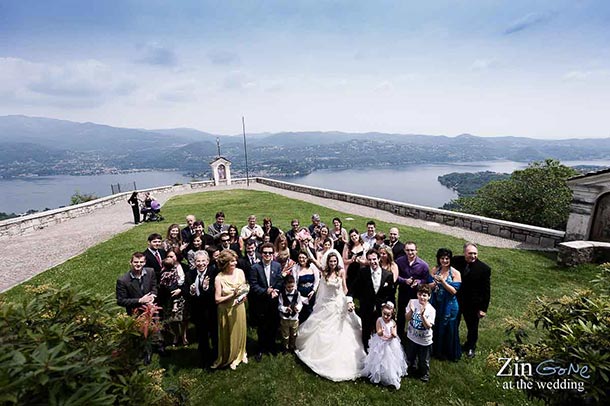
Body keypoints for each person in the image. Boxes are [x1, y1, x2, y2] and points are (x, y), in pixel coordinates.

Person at [295, 251, 366, 381]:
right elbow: (316, 264)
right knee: (319, 326)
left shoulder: (341, 272)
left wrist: (347, 301)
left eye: (334, 261)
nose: (333, 263)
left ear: (337, 261)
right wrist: (308, 250)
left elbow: (344, 288)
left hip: (337, 303)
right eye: (330, 261)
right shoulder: (324, 271)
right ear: (327, 262)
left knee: (341, 330)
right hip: (325, 303)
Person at [347, 248, 395, 350]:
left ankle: (379, 351)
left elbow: (391, 293)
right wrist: (349, 300)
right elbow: (353, 287)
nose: (372, 262)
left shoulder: (388, 275)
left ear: (379, 259)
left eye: (374, 259)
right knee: (366, 331)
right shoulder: (363, 272)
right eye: (369, 260)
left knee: (380, 332)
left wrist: (390, 305)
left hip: (381, 310)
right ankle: (366, 352)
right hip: (366, 307)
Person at [212, 249, 249, 370]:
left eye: (235, 261)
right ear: (225, 263)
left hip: (239, 307)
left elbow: (243, 289)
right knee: (227, 333)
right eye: (231, 261)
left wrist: (243, 295)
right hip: (225, 310)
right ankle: (229, 356)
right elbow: (217, 299)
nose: (234, 263)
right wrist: (232, 295)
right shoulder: (219, 278)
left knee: (240, 331)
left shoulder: (240, 272)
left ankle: (240, 353)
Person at [452, 242, 491, 358]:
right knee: (454, 323)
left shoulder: (484, 269)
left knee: (472, 327)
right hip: (457, 301)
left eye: (475, 253)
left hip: (473, 304)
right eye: (470, 253)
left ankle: (470, 347)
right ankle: (453, 344)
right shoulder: (456, 261)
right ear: (464, 253)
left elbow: (486, 291)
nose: (473, 256)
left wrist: (483, 309)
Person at [249, 242, 284, 361]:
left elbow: (280, 281)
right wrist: (266, 291)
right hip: (261, 302)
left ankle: (271, 346)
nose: (267, 255)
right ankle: (260, 348)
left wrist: (276, 290)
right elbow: (253, 285)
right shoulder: (255, 267)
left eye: (270, 253)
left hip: (274, 302)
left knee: (273, 325)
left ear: (273, 254)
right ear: (261, 254)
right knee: (262, 326)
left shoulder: (277, 265)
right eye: (265, 253)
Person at [361, 302, 408, 389]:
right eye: (384, 314)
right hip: (380, 342)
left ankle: (388, 376)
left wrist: (393, 334)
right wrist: (381, 332)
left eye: (388, 315)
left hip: (390, 343)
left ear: (392, 315)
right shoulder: (379, 320)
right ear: (381, 312)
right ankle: (376, 373)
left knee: (389, 360)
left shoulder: (393, 323)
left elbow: (394, 333)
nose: (386, 317)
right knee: (378, 358)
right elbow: (378, 331)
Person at [428, 248, 462, 361]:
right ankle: (437, 351)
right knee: (437, 326)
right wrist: (433, 284)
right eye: (442, 258)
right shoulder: (435, 269)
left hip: (450, 305)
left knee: (449, 328)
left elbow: (454, 291)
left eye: (447, 258)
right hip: (437, 302)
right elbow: (429, 285)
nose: (445, 260)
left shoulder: (455, 273)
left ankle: (449, 353)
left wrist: (443, 282)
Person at [186, 251, 218, 368]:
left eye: (203, 261)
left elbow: (216, 290)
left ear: (208, 261)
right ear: (194, 262)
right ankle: (204, 359)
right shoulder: (190, 274)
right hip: (197, 311)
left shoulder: (213, 272)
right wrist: (191, 292)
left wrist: (205, 288)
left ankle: (216, 357)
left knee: (215, 335)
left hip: (211, 310)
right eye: (198, 261)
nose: (201, 263)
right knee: (202, 336)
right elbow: (186, 291)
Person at [395, 241, 430, 341]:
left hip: (416, 295)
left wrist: (418, 282)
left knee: (415, 315)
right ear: (404, 250)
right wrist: (404, 280)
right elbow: (395, 276)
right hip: (403, 293)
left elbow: (426, 280)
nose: (410, 252)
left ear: (416, 251)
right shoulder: (399, 261)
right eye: (408, 250)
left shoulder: (423, 265)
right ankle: (400, 335)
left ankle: (413, 336)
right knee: (401, 314)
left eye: (412, 250)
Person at [405, 285, 436, 383]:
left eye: (424, 295)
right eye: (420, 294)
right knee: (410, 355)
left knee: (424, 360)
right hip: (412, 336)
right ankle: (411, 368)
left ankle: (424, 373)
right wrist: (411, 310)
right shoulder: (412, 302)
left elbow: (428, 326)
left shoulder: (431, 310)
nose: (422, 297)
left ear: (429, 297)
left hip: (424, 340)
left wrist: (422, 315)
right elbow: (407, 318)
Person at [158, 257, 186, 347]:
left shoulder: (164, 272)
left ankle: (183, 336)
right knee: (172, 318)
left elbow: (162, 282)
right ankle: (176, 335)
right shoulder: (174, 270)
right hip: (170, 291)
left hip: (172, 289)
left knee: (181, 318)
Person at [291, 250, 320, 323]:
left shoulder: (312, 267)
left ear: (307, 258)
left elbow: (317, 280)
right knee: (301, 311)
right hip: (300, 293)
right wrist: (298, 295)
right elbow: (294, 282)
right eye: (300, 257)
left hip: (311, 293)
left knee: (311, 311)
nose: (301, 259)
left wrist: (313, 291)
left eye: (303, 258)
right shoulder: (295, 268)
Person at [278, 274, 303, 352]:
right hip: (284, 318)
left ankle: (292, 346)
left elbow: (300, 303)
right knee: (285, 335)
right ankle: (285, 347)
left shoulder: (297, 293)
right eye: (288, 287)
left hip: (294, 318)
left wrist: (297, 308)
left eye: (292, 286)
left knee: (294, 334)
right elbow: (279, 306)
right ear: (285, 285)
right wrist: (285, 309)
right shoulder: (282, 294)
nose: (290, 288)